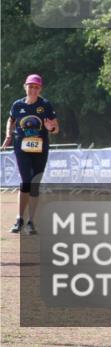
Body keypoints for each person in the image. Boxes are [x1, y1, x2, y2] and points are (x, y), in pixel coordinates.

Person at [3, 74, 59, 234]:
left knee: (34, 184)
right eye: (30, 86)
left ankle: (31, 222)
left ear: (40, 89)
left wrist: (51, 128)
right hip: (21, 147)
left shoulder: (45, 105)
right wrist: (9, 135)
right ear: (25, 87)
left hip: (40, 148)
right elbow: (11, 120)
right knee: (26, 182)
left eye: (36, 87)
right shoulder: (17, 105)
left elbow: (56, 128)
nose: (33, 89)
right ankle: (19, 219)